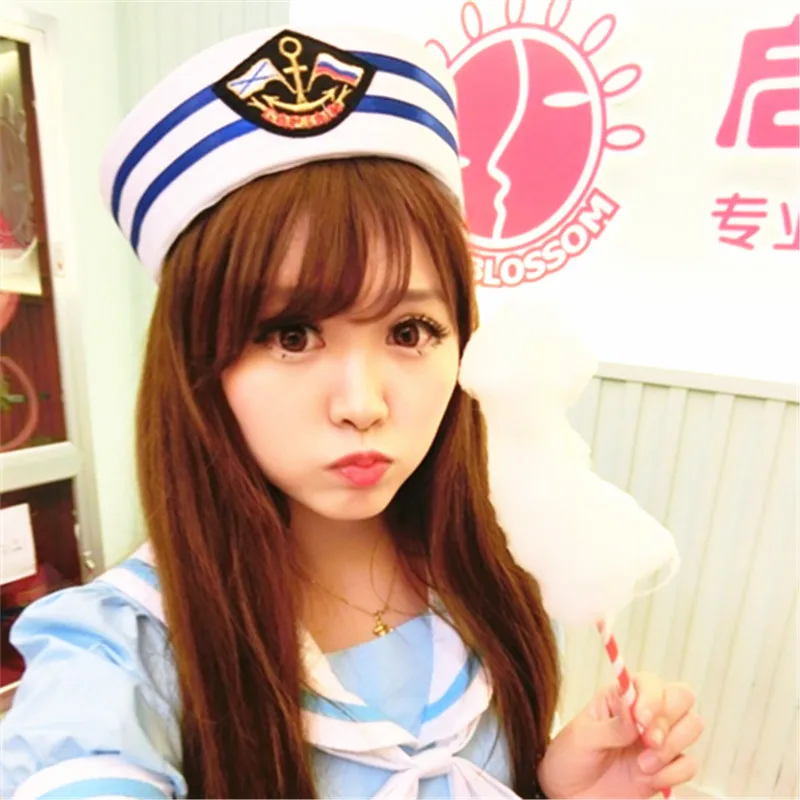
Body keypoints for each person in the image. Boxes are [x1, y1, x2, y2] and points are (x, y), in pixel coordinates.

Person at [0, 24, 703, 800]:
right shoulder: (119, 651)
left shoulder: (485, 570)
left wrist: (558, 788)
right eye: (290, 335)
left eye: (411, 331)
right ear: (196, 363)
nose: (363, 405)